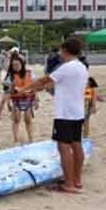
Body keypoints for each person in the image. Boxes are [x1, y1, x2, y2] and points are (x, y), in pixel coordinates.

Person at [17, 38, 88, 193]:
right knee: (76, 145)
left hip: (65, 113)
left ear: (65, 50)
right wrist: (35, 89)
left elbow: (44, 80)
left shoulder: (66, 67)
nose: (59, 53)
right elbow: (52, 85)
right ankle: (77, 180)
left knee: (63, 147)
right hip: (77, 112)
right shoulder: (82, 67)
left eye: (61, 50)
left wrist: (23, 89)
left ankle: (68, 184)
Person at [0, 56, 37, 143]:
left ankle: (31, 139)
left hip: (28, 98)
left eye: (17, 64)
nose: (16, 66)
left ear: (22, 64)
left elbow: (34, 85)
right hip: (16, 100)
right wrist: (8, 102)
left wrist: (36, 98)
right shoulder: (11, 76)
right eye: (13, 65)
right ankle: (15, 139)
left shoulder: (30, 73)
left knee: (28, 120)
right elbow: (7, 90)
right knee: (16, 120)